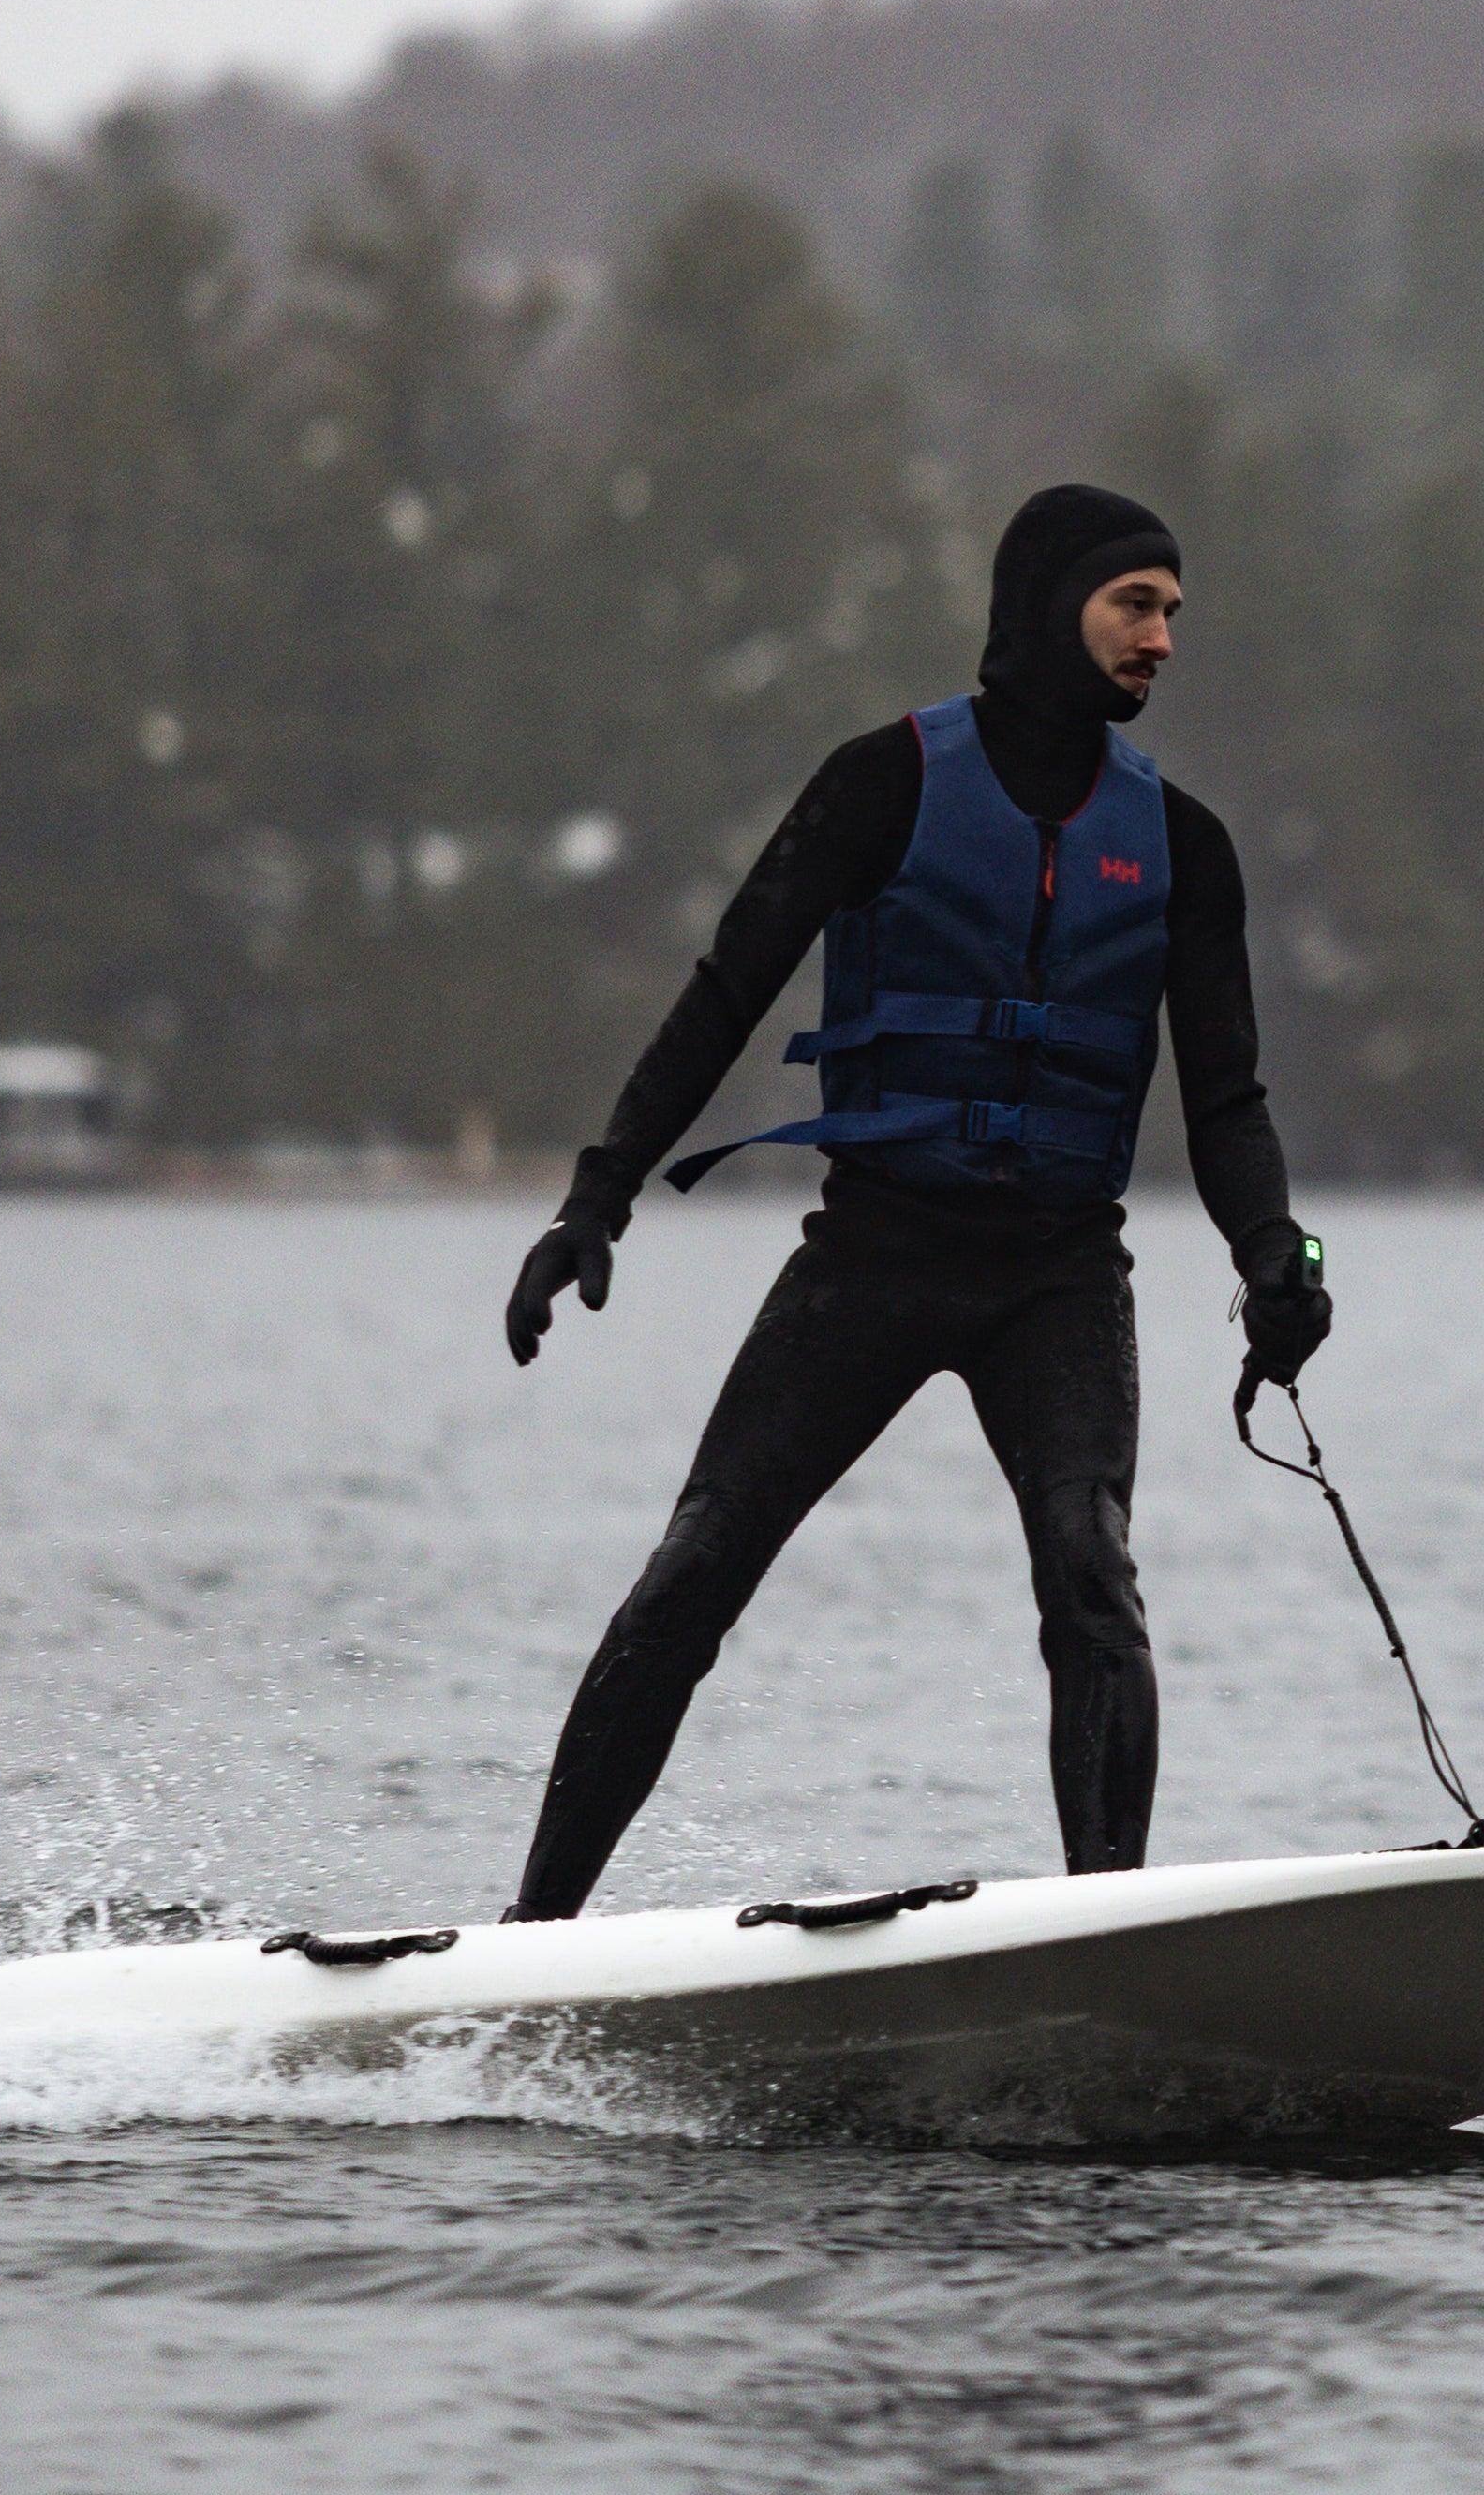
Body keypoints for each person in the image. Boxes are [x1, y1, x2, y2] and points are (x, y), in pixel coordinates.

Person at [489, 482, 1335, 1920]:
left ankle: (1101, 1932)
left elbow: (1229, 1101)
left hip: (1060, 1273)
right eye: (1137, 604)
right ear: (1048, 606)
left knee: (1092, 1571)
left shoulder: (1184, 845)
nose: (1164, 639)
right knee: (699, 1568)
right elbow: (727, 989)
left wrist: (1277, 1258)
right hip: (875, 1255)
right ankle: (535, 1931)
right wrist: (598, 1195)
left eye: (1177, 612)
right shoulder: (883, 782)